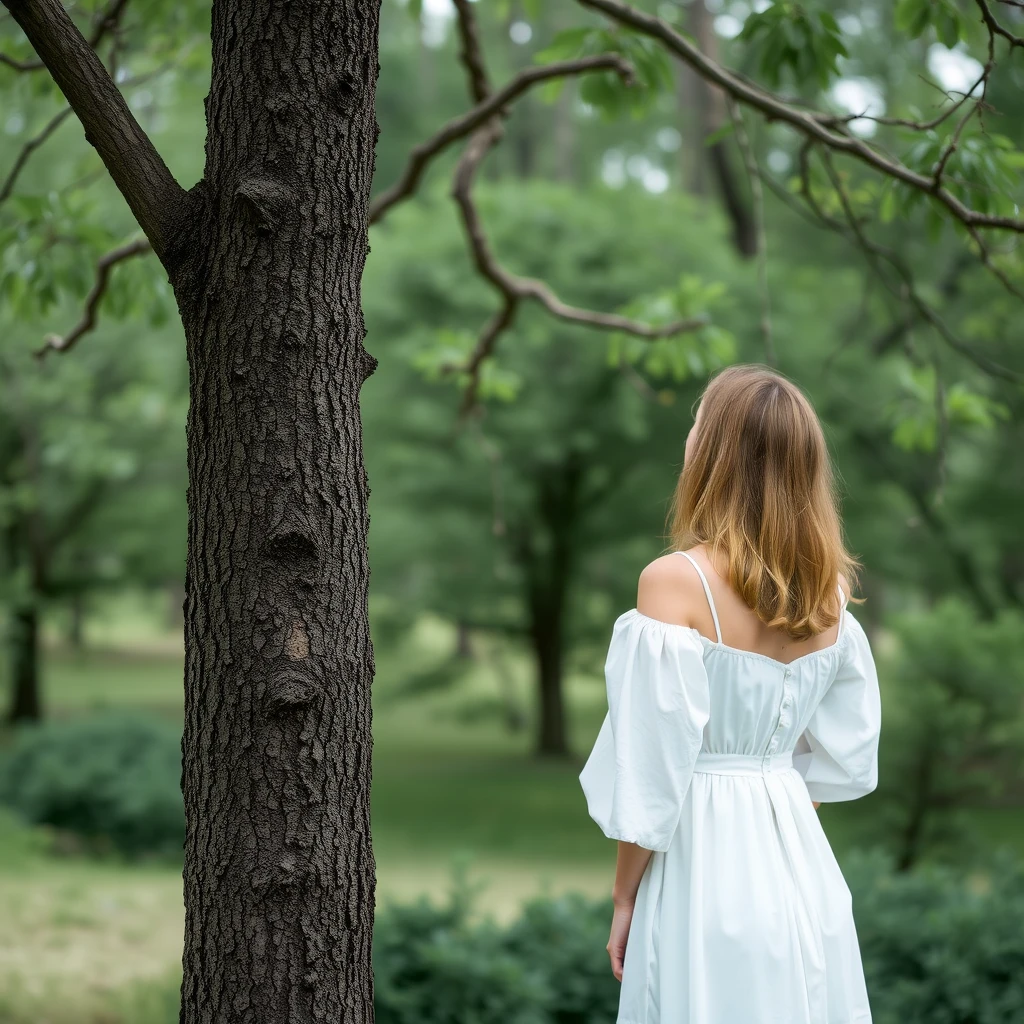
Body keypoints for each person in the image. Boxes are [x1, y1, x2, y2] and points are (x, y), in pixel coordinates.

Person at [581, 364, 881, 1024]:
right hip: (802, 868)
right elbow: (836, 759)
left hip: (701, 865)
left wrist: (624, 895)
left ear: (715, 453)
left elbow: (654, 771)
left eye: (695, 426)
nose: (686, 439)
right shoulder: (830, 597)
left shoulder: (673, 582)